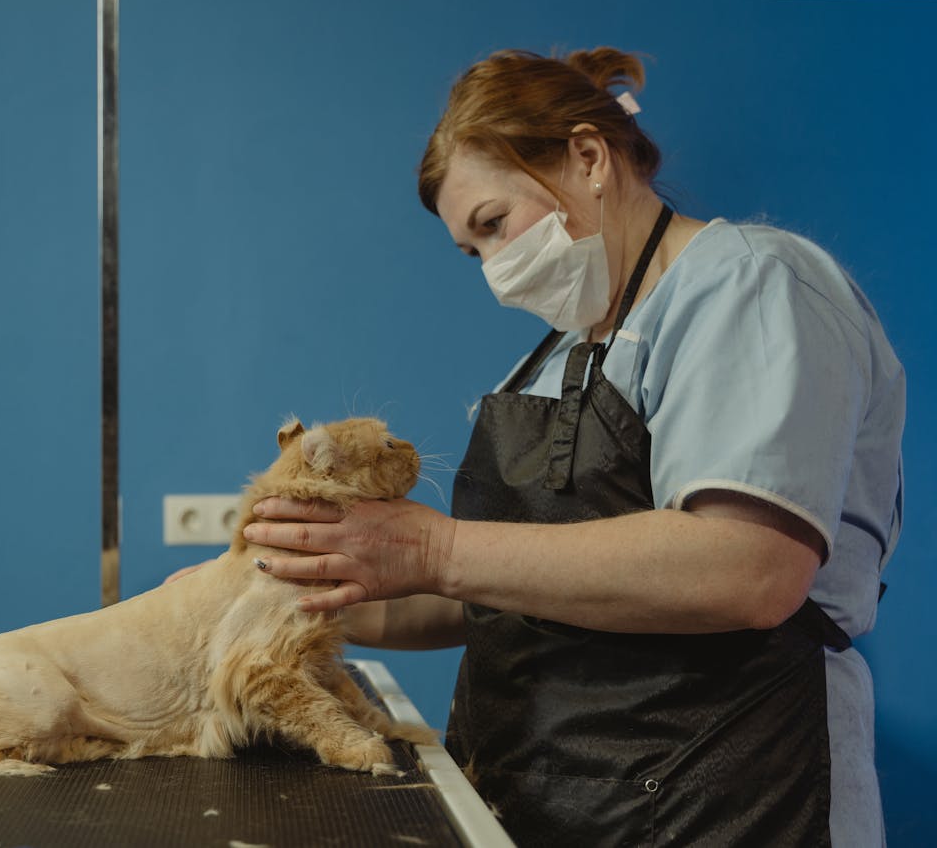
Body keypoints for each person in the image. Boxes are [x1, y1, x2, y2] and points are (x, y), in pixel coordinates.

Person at [233, 48, 905, 845]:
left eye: (493, 225)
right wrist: (312, 583)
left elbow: (750, 567)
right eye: (471, 251)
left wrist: (435, 545)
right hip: (552, 795)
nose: (494, 269)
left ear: (589, 157)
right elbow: (502, 585)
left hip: (728, 796)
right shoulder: (562, 350)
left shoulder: (752, 286)